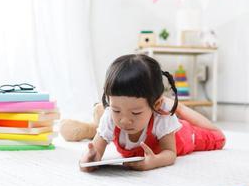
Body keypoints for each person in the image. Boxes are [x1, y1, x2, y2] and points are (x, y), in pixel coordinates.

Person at [60, 54, 225, 172]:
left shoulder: (162, 117)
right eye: (117, 110)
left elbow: (170, 153)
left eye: (136, 113)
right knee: (106, 120)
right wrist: (89, 158)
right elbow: (95, 151)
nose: (124, 121)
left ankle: (179, 108)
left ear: (155, 104)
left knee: (219, 138)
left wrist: (154, 162)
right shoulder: (110, 115)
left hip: (183, 136)